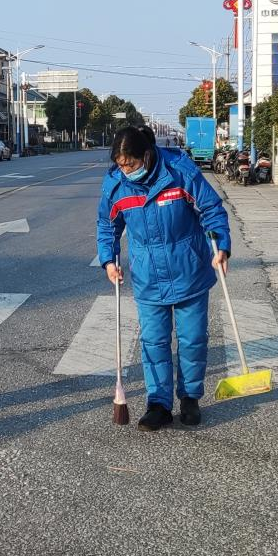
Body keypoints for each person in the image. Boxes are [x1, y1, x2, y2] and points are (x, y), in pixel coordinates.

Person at [97, 126, 230, 431]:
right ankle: (158, 404)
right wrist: (108, 261)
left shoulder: (179, 171)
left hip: (190, 271)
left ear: (146, 154)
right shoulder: (116, 184)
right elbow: (108, 225)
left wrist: (221, 245)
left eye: (129, 163)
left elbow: (211, 208)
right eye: (120, 164)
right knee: (154, 342)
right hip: (148, 275)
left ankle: (190, 398)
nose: (125, 169)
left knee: (192, 340)